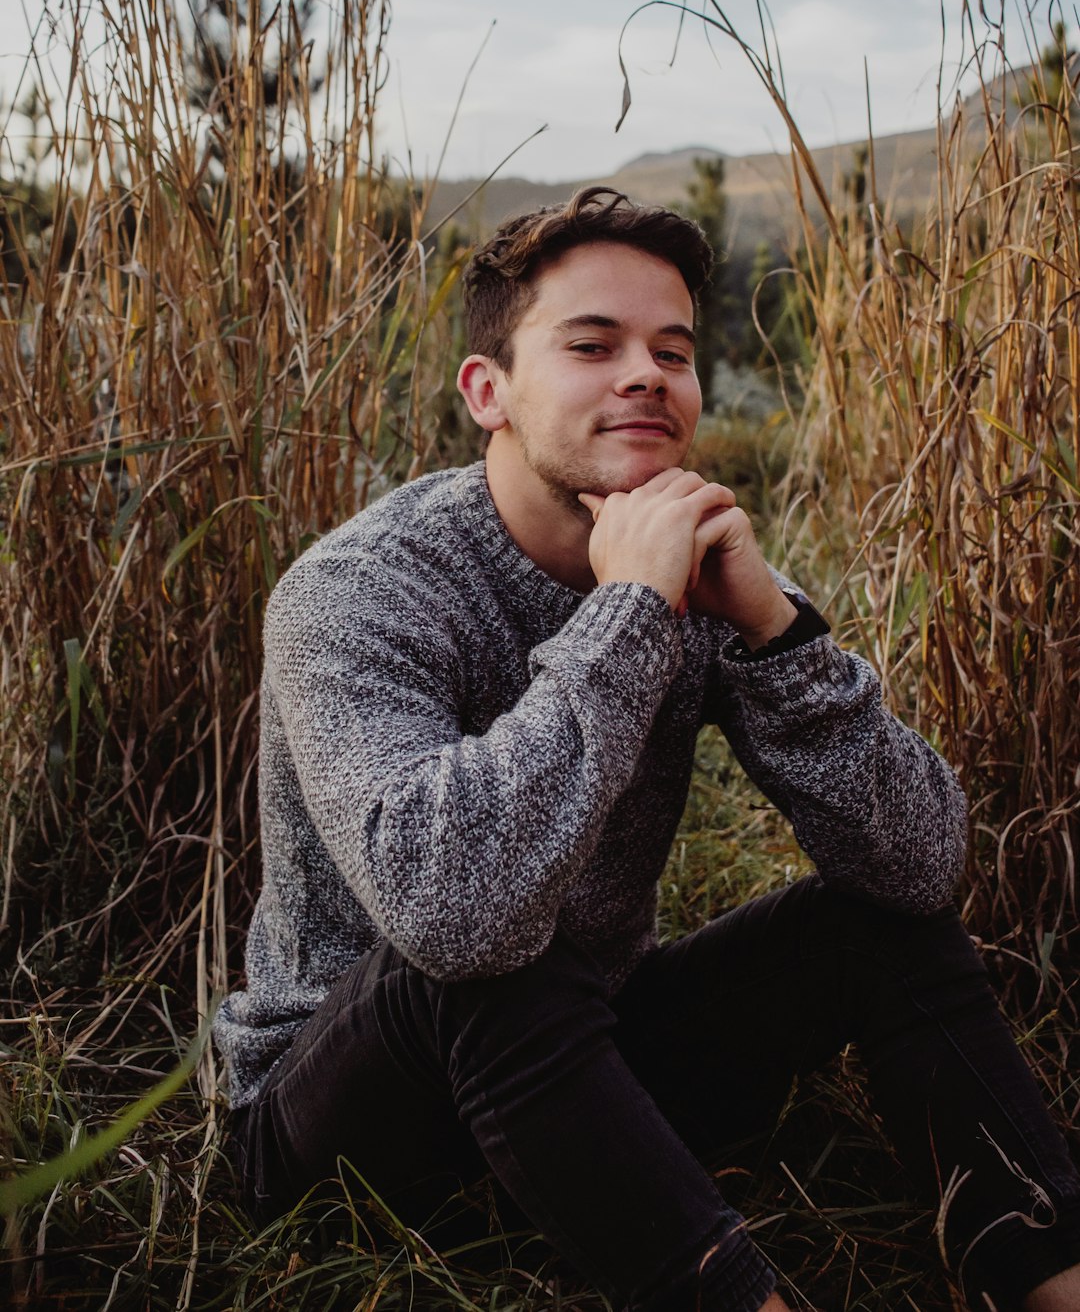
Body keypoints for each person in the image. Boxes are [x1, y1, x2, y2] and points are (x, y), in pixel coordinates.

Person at [215, 186, 1080, 1312]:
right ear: (491, 392)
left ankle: (1052, 1275)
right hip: (345, 1117)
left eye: (672, 350)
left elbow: (922, 865)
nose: (646, 374)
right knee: (484, 966)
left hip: (585, 1060)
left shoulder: (700, 563)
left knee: (869, 922)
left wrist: (776, 632)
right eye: (592, 344)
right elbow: (453, 911)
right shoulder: (357, 594)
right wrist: (627, 614)